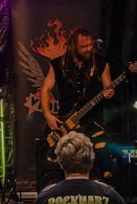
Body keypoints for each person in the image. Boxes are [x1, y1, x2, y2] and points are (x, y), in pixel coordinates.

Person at [40, 28, 114, 177]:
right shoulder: (58, 64)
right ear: (73, 46)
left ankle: (102, 184)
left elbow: (109, 87)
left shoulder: (101, 63)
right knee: (68, 161)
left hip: (93, 121)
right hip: (66, 123)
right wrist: (47, 115)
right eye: (84, 46)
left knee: (102, 158)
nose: (89, 49)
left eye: (90, 45)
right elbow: (45, 89)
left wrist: (109, 92)